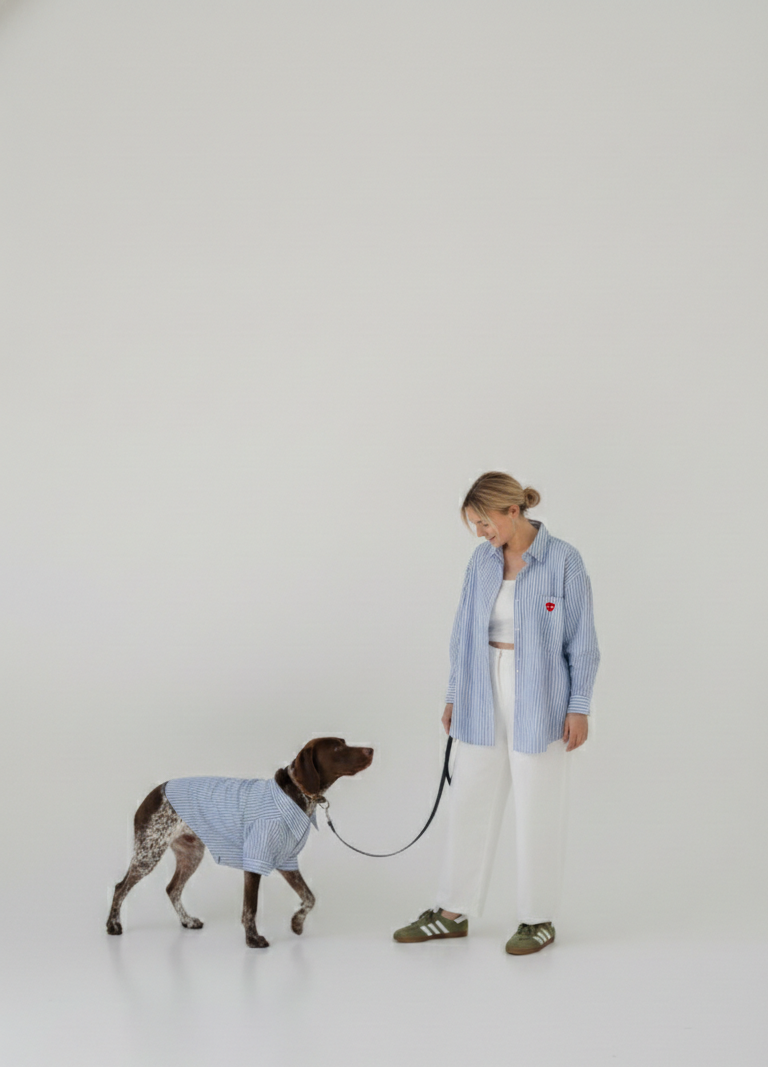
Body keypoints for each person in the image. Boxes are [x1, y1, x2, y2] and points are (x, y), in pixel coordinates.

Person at [393, 471, 600, 954]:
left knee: (538, 805)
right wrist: (454, 693)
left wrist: (580, 707)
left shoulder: (564, 560)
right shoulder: (481, 561)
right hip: (481, 686)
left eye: (484, 522)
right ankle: (451, 911)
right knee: (469, 797)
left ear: (513, 510)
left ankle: (537, 918)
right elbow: (463, 629)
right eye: (474, 525)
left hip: (542, 694)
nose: (480, 533)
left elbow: (583, 642)